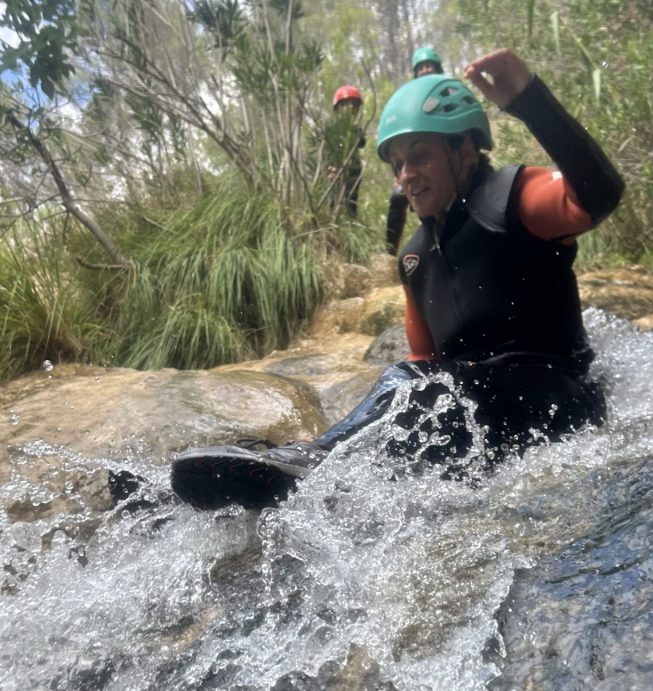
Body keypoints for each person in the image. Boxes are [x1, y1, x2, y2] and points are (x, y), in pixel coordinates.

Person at [171, 47, 624, 511]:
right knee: (407, 419)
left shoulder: (512, 197)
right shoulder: (414, 257)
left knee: (417, 386)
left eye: (420, 157)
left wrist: (530, 101)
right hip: (478, 414)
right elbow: (424, 362)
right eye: (397, 164)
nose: (406, 176)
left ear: (464, 150)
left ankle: (312, 461)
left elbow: (601, 194)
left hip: (559, 402)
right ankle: (193, 503)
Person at [385, 46, 444, 255]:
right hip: (419, 160)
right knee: (399, 196)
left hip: (446, 160)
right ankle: (389, 252)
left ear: (437, 68)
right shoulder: (410, 100)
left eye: (429, 65)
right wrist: (400, 170)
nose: (426, 70)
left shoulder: (450, 91)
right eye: (421, 67)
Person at [327, 85, 366, 218]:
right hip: (336, 167)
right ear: (338, 108)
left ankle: (351, 224)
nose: (350, 107)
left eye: (353, 104)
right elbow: (329, 148)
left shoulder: (356, 129)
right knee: (334, 200)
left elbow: (362, 142)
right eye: (346, 104)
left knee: (351, 202)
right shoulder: (333, 129)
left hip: (354, 168)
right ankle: (333, 226)